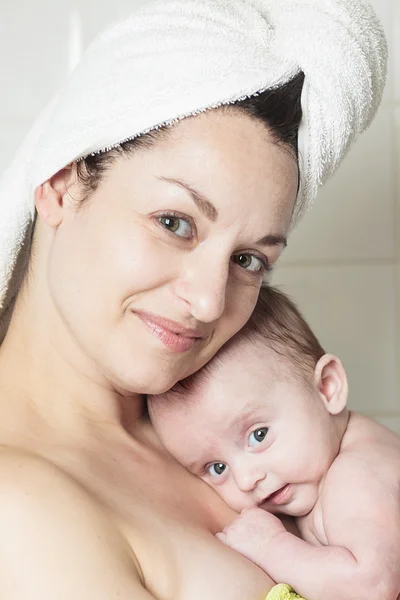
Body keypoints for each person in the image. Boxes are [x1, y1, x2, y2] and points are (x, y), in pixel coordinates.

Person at [0, 0, 387, 598]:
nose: (210, 302)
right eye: (175, 223)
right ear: (60, 184)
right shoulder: (20, 508)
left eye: (249, 260)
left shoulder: (233, 426)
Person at [149, 285, 400, 600]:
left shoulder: (358, 474)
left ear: (327, 387)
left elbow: (371, 585)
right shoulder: (329, 467)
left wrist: (271, 546)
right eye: (217, 467)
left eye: (258, 435)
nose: (246, 479)